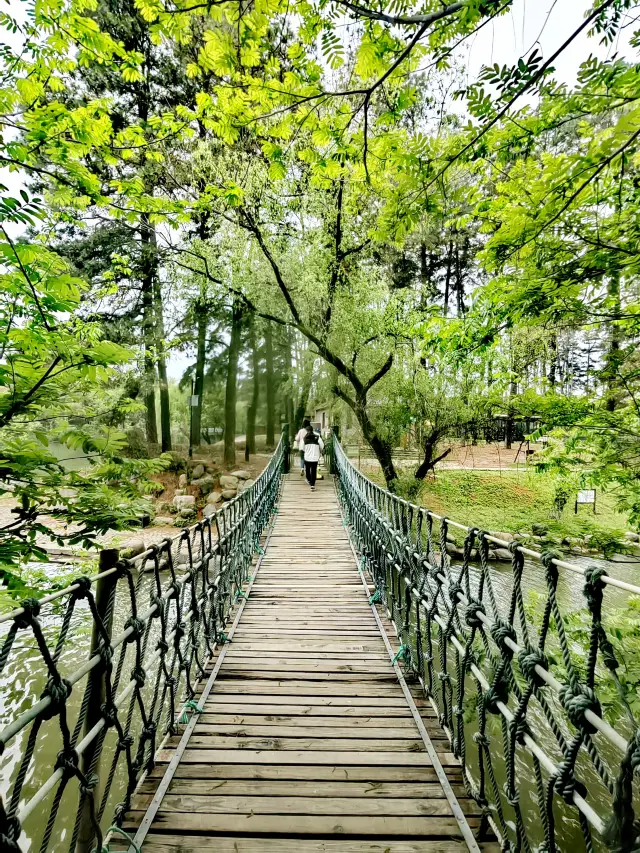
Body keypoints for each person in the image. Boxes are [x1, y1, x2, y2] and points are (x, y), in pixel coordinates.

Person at [303, 424, 324, 491]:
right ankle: (312, 485)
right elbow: (322, 446)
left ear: (307, 431)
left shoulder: (305, 438)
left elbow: (302, 448)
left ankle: (309, 480)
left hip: (307, 457)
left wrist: (307, 450)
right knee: (314, 471)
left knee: (308, 470)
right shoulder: (318, 438)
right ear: (313, 430)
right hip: (315, 457)